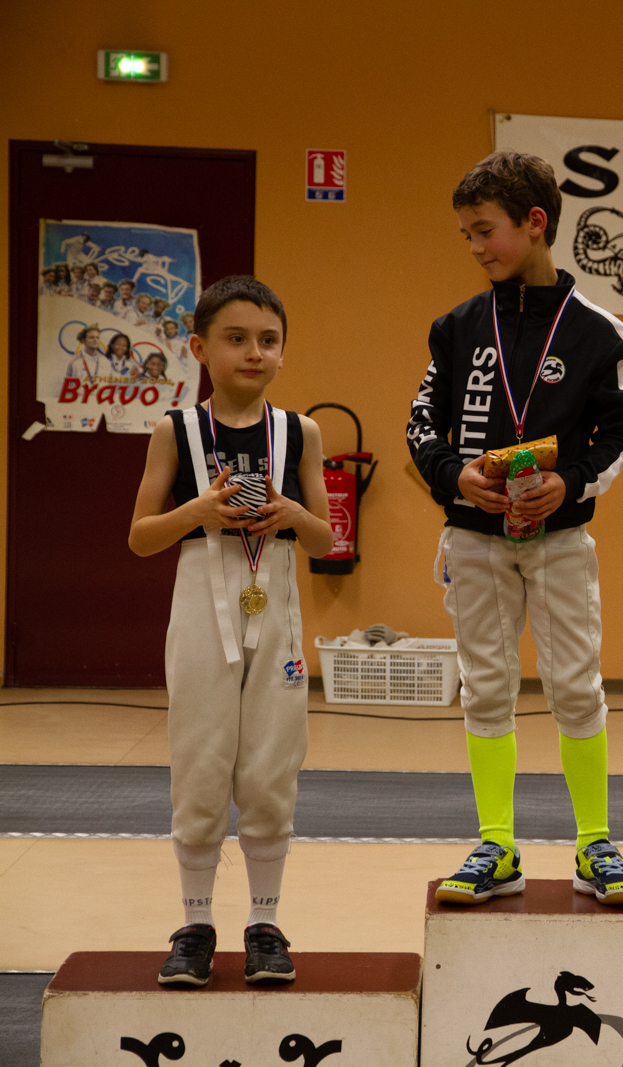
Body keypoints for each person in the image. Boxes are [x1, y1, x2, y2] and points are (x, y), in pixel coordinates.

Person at [406, 151, 623, 908]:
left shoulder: (599, 334)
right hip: (473, 541)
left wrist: (569, 481)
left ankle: (594, 842)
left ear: (535, 223)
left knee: (575, 684)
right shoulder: (457, 328)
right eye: (467, 235)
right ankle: (497, 845)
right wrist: (455, 476)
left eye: (486, 231)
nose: (476, 247)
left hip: (560, 539)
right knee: (485, 688)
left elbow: (620, 437)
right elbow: (421, 427)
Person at [128, 275, 333, 988]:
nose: (254, 352)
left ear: (283, 351)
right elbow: (140, 537)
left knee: (272, 765)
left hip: (274, 600)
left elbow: (324, 538)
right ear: (199, 348)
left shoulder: (299, 431)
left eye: (268, 340)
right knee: (201, 760)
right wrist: (198, 512)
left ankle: (264, 923)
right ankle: (195, 923)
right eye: (236, 338)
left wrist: (293, 515)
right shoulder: (175, 431)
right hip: (200, 598)